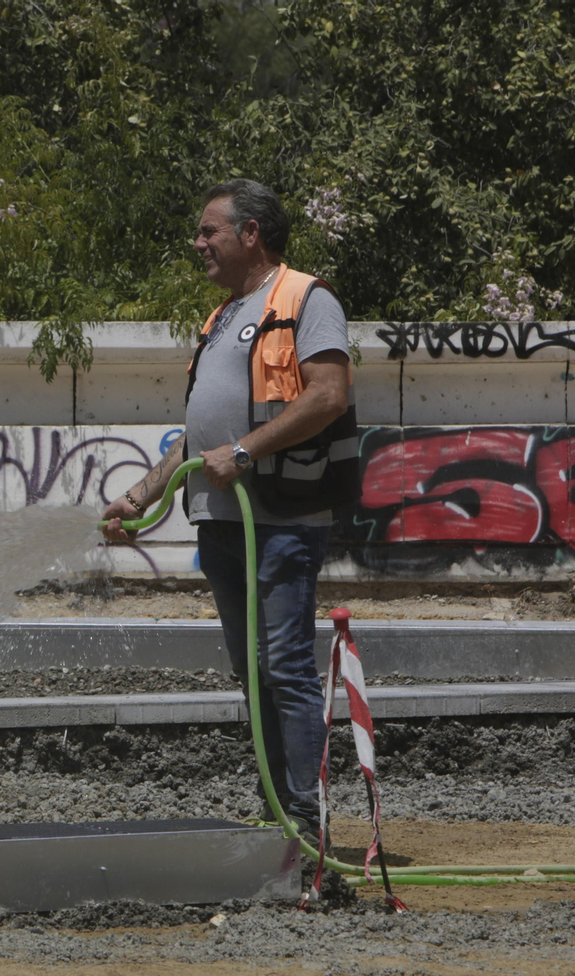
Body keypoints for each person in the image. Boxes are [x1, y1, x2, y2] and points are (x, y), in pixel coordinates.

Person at [100, 178, 358, 848]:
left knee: (286, 668)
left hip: (279, 519)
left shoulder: (307, 298)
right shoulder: (222, 317)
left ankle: (306, 819)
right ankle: (278, 811)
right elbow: (199, 432)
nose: (198, 243)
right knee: (253, 672)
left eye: (209, 230)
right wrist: (144, 493)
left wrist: (243, 452)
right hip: (223, 522)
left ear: (251, 234)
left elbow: (327, 395)